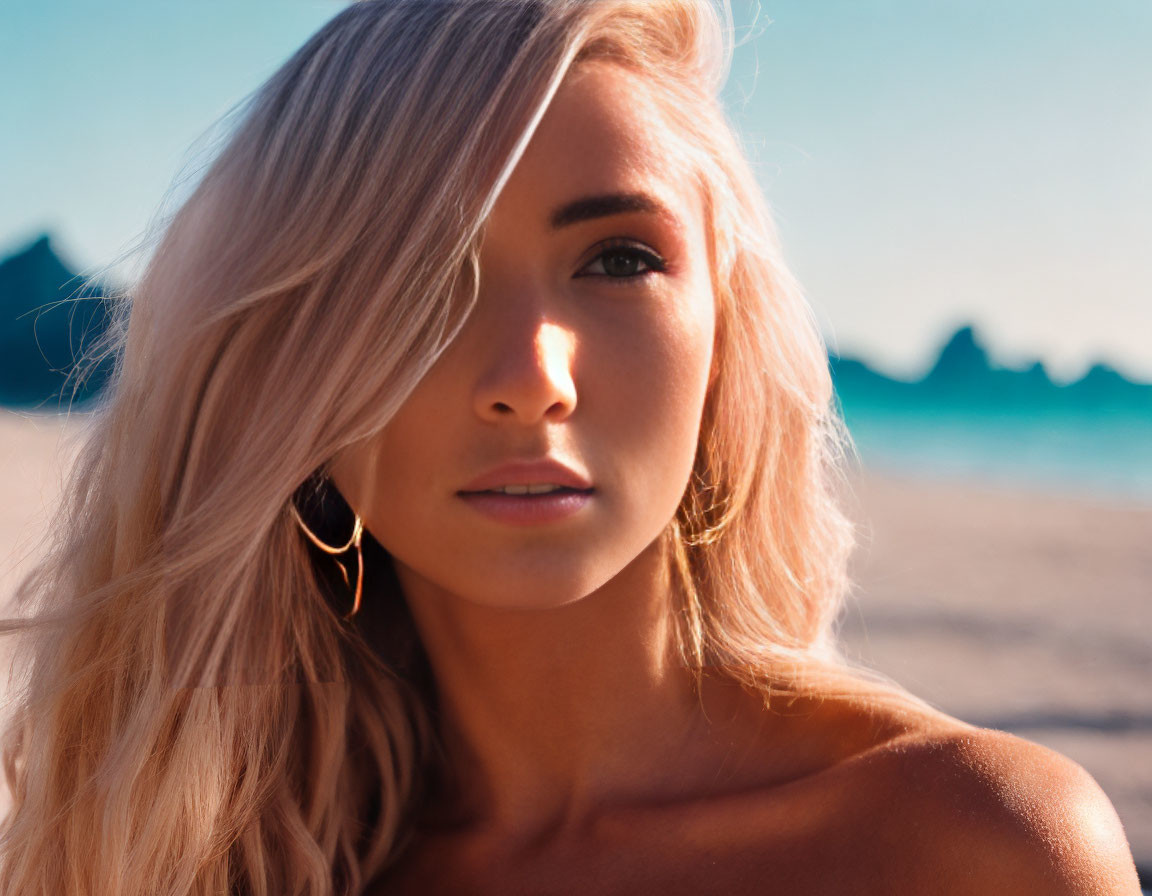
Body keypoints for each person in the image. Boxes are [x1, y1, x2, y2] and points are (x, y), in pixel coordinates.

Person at [0, 1, 1140, 893]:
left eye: (619, 260)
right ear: (290, 378)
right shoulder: (243, 863)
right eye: (425, 280)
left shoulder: (975, 844)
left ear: (725, 337)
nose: (531, 378)